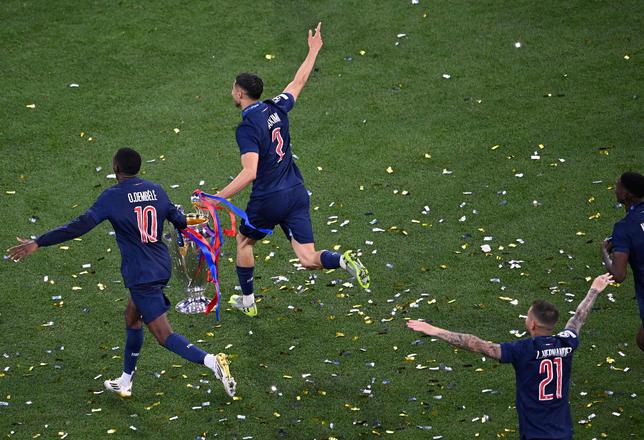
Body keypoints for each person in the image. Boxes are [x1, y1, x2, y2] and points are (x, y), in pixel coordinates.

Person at [6, 148, 236, 398]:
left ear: (116, 168)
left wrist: (39, 242)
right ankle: (125, 381)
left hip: (142, 274)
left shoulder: (112, 197)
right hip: (160, 265)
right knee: (131, 317)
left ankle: (212, 362)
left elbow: (79, 226)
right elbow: (180, 221)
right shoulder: (157, 190)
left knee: (164, 335)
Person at [210, 22, 369, 318]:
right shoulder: (276, 107)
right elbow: (298, 82)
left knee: (244, 241)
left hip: (268, 198)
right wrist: (314, 50)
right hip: (296, 192)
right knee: (308, 258)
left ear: (240, 94)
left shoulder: (247, 127)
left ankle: (248, 301)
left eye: (233, 89)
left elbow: (250, 172)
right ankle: (342, 261)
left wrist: (218, 198)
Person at [407, 273, 613, 440]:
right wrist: (594, 290)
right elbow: (578, 318)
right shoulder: (566, 343)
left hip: (535, 434)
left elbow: (476, 344)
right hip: (563, 432)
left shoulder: (522, 350)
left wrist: (435, 330)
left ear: (532, 324)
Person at [602, 171, 644, 351]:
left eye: (617, 186)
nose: (615, 190)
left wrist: (605, 253)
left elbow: (618, 275)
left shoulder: (624, 228)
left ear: (626, 194)